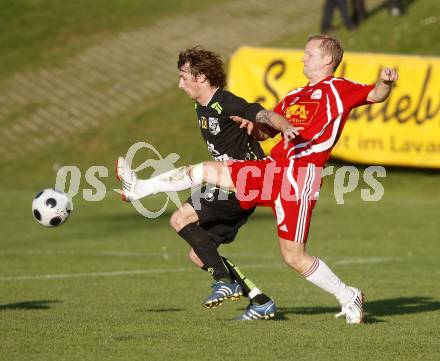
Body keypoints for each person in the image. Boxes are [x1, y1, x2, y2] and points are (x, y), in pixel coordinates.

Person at [117, 34, 398, 324]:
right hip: (271, 169)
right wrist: (252, 127)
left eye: (309, 54)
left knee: (293, 257)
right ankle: (139, 187)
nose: (303, 58)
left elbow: (375, 94)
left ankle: (347, 295)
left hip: (299, 177)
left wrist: (386, 82)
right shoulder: (294, 96)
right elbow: (267, 131)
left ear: (327, 59)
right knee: (204, 170)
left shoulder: (338, 89)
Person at [121, 46, 292, 320]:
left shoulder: (225, 102)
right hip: (225, 184)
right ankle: (259, 301)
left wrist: (284, 126)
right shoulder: (200, 107)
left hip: (246, 182)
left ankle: (140, 188)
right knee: (200, 255)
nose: (179, 84)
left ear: (201, 77)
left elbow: (261, 113)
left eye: (183, 76)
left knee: (180, 216)